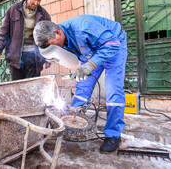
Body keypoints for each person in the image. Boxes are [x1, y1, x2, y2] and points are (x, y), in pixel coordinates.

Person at [33, 15, 128, 153]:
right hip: (91, 51)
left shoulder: (83, 28)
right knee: (83, 84)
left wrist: (90, 65)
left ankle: (113, 135)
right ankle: (75, 117)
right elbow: (76, 57)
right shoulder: (60, 37)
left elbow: (112, 44)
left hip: (113, 45)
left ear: (58, 33)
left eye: (52, 45)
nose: (53, 48)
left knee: (113, 90)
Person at [0, 0, 51, 80]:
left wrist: (49, 56)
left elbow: (49, 37)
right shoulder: (12, 10)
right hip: (16, 57)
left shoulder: (44, 14)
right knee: (18, 88)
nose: (36, 3)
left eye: (39, 0)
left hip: (35, 58)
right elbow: (4, 32)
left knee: (33, 88)